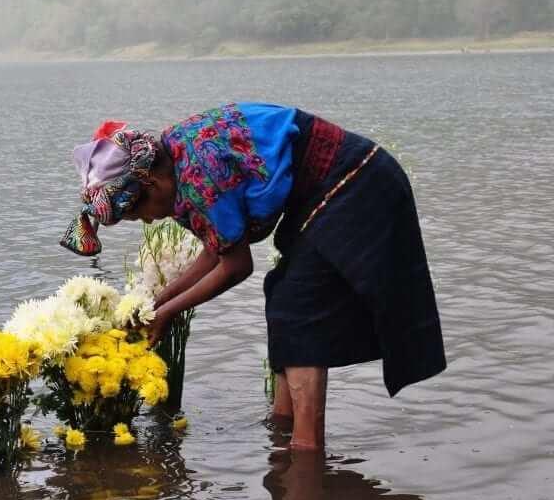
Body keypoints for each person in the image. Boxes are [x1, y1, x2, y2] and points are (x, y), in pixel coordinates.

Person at [60, 103, 445, 450]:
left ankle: (305, 450)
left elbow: (236, 265)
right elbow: (217, 249)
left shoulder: (196, 175)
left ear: (151, 185)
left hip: (355, 179)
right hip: (322, 190)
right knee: (283, 295)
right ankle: (283, 427)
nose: (145, 220)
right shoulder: (174, 163)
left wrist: (167, 313)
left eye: (138, 213)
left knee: (299, 304)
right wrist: (157, 303)